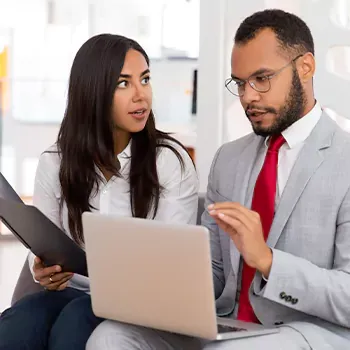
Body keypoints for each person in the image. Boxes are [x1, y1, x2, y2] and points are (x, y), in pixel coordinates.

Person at [86, 9, 350, 350]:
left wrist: (268, 260)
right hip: (227, 324)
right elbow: (213, 274)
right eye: (240, 83)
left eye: (262, 78)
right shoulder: (229, 159)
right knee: (109, 337)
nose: (248, 96)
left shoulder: (344, 160)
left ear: (306, 67)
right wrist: (152, 287)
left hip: (308, 330)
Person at [0, 34, 198, 350]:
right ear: (93, 93)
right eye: (124, 84)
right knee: (17, 325)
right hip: (72, 290)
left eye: (145, 80)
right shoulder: (55, 162)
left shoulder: (169, 161)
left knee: (75, 322)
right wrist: (42, 269)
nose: (141, 96)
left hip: (137, 301)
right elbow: (43, 243)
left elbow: (170, 268)